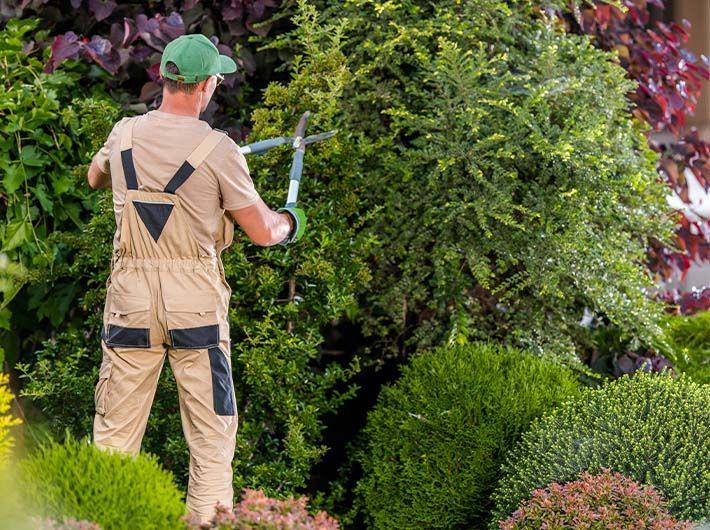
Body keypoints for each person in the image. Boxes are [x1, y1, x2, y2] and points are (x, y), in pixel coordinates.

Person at [86, 33, 307, 524]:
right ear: (206, 85)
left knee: (114, 439)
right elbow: (264, 232)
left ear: (163, 78)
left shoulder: (123, 134)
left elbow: (95, 178)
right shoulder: (220, 150)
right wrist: (293, 220)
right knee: (211, 440)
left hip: (131, 301)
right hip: (196, 307)